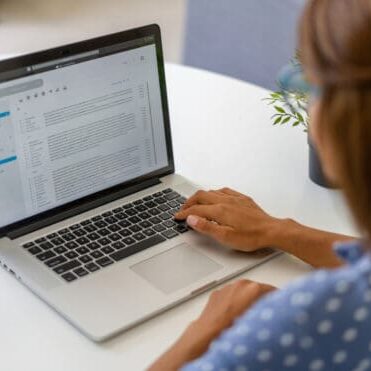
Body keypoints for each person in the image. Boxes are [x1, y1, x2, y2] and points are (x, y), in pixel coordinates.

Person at [148, 0, 371, 370]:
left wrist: (202, 331)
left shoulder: (308, 319)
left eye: (313, 85)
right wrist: (279, 230)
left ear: (331, 124)